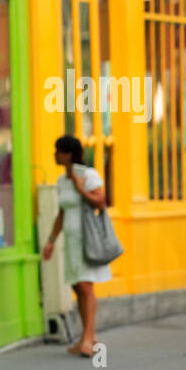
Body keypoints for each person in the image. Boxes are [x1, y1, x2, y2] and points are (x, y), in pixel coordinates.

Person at [41, 134, 110, 357]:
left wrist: (80, 188)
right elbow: (62, 213)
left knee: (86, 286)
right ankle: (87, 335)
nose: (54, 155)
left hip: (86, 239)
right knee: (76, 287)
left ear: (68, 154)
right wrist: (51, 240)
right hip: (70, 241)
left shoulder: (88, 175)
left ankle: (89, 338)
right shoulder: (61, 181)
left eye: (57, 151)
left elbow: (101, 201)